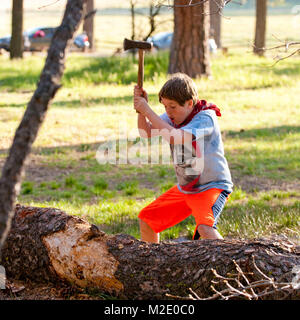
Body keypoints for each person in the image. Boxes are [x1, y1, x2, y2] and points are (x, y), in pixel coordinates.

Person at [133, 73, 233, 243]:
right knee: (147, 220)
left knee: (205, 228)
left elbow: (175, 137)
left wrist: (147, 110)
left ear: (189, 103)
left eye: (172, 107)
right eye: (165, 107)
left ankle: (232, 262)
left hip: (211, 186)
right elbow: (146, 132)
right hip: (187, 188)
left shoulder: (205, 118)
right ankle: (154, 266)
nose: (168, 112)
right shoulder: (175, 117)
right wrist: (141, 111)